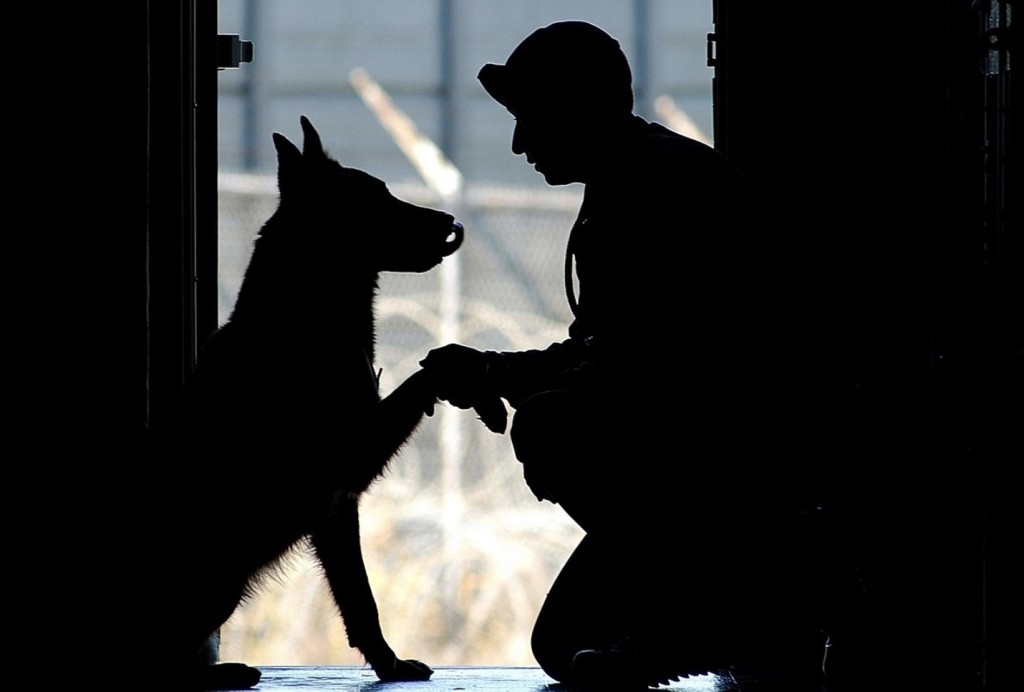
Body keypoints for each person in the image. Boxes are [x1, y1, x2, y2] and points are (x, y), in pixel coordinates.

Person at [420, 21, 851, 689]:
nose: (518, 141)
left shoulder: (651, 192)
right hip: (718, 466)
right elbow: (615, 355)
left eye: (529, 117)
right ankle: (747, 613)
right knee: (562, 644)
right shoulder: (640, 178)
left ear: (574, 108)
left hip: (733, 471)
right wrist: (492, 372)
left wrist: (500, 377)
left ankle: (753, 590)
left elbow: (637, 371)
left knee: (551, 426)